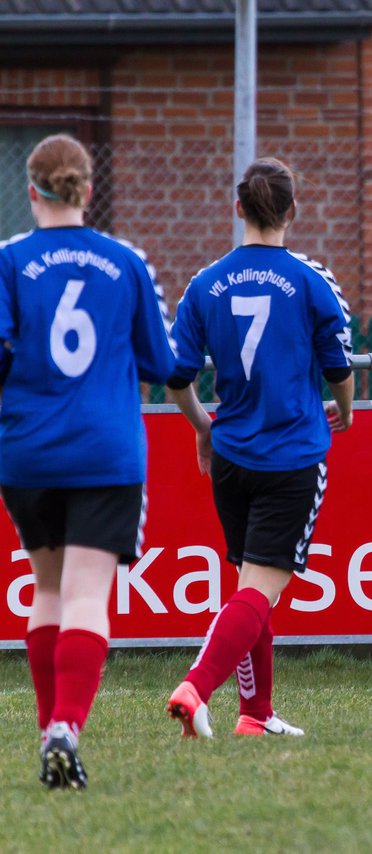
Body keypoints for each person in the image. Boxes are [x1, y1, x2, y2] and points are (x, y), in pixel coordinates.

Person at [0, 134, 176, 789]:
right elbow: (162, 363)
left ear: (30, 191)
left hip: (28, 453)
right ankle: (65, 727)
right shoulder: (125, 261)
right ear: (88, 191)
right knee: (85, 598)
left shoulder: (9, 261)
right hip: (105, 451)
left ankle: (52, 732)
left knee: (47, 590)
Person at [165, 157, 353, 738]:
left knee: (250, 589)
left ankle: (256, 713)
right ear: (292, 211)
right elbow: (338, 366)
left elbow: (176, 376)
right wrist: (345, 414)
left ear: (238, 208)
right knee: (259, 592)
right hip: (291, 456)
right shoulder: (310, 280)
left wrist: (203, 426)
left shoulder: (204, 284)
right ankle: (196, 687)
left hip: (231, 457)